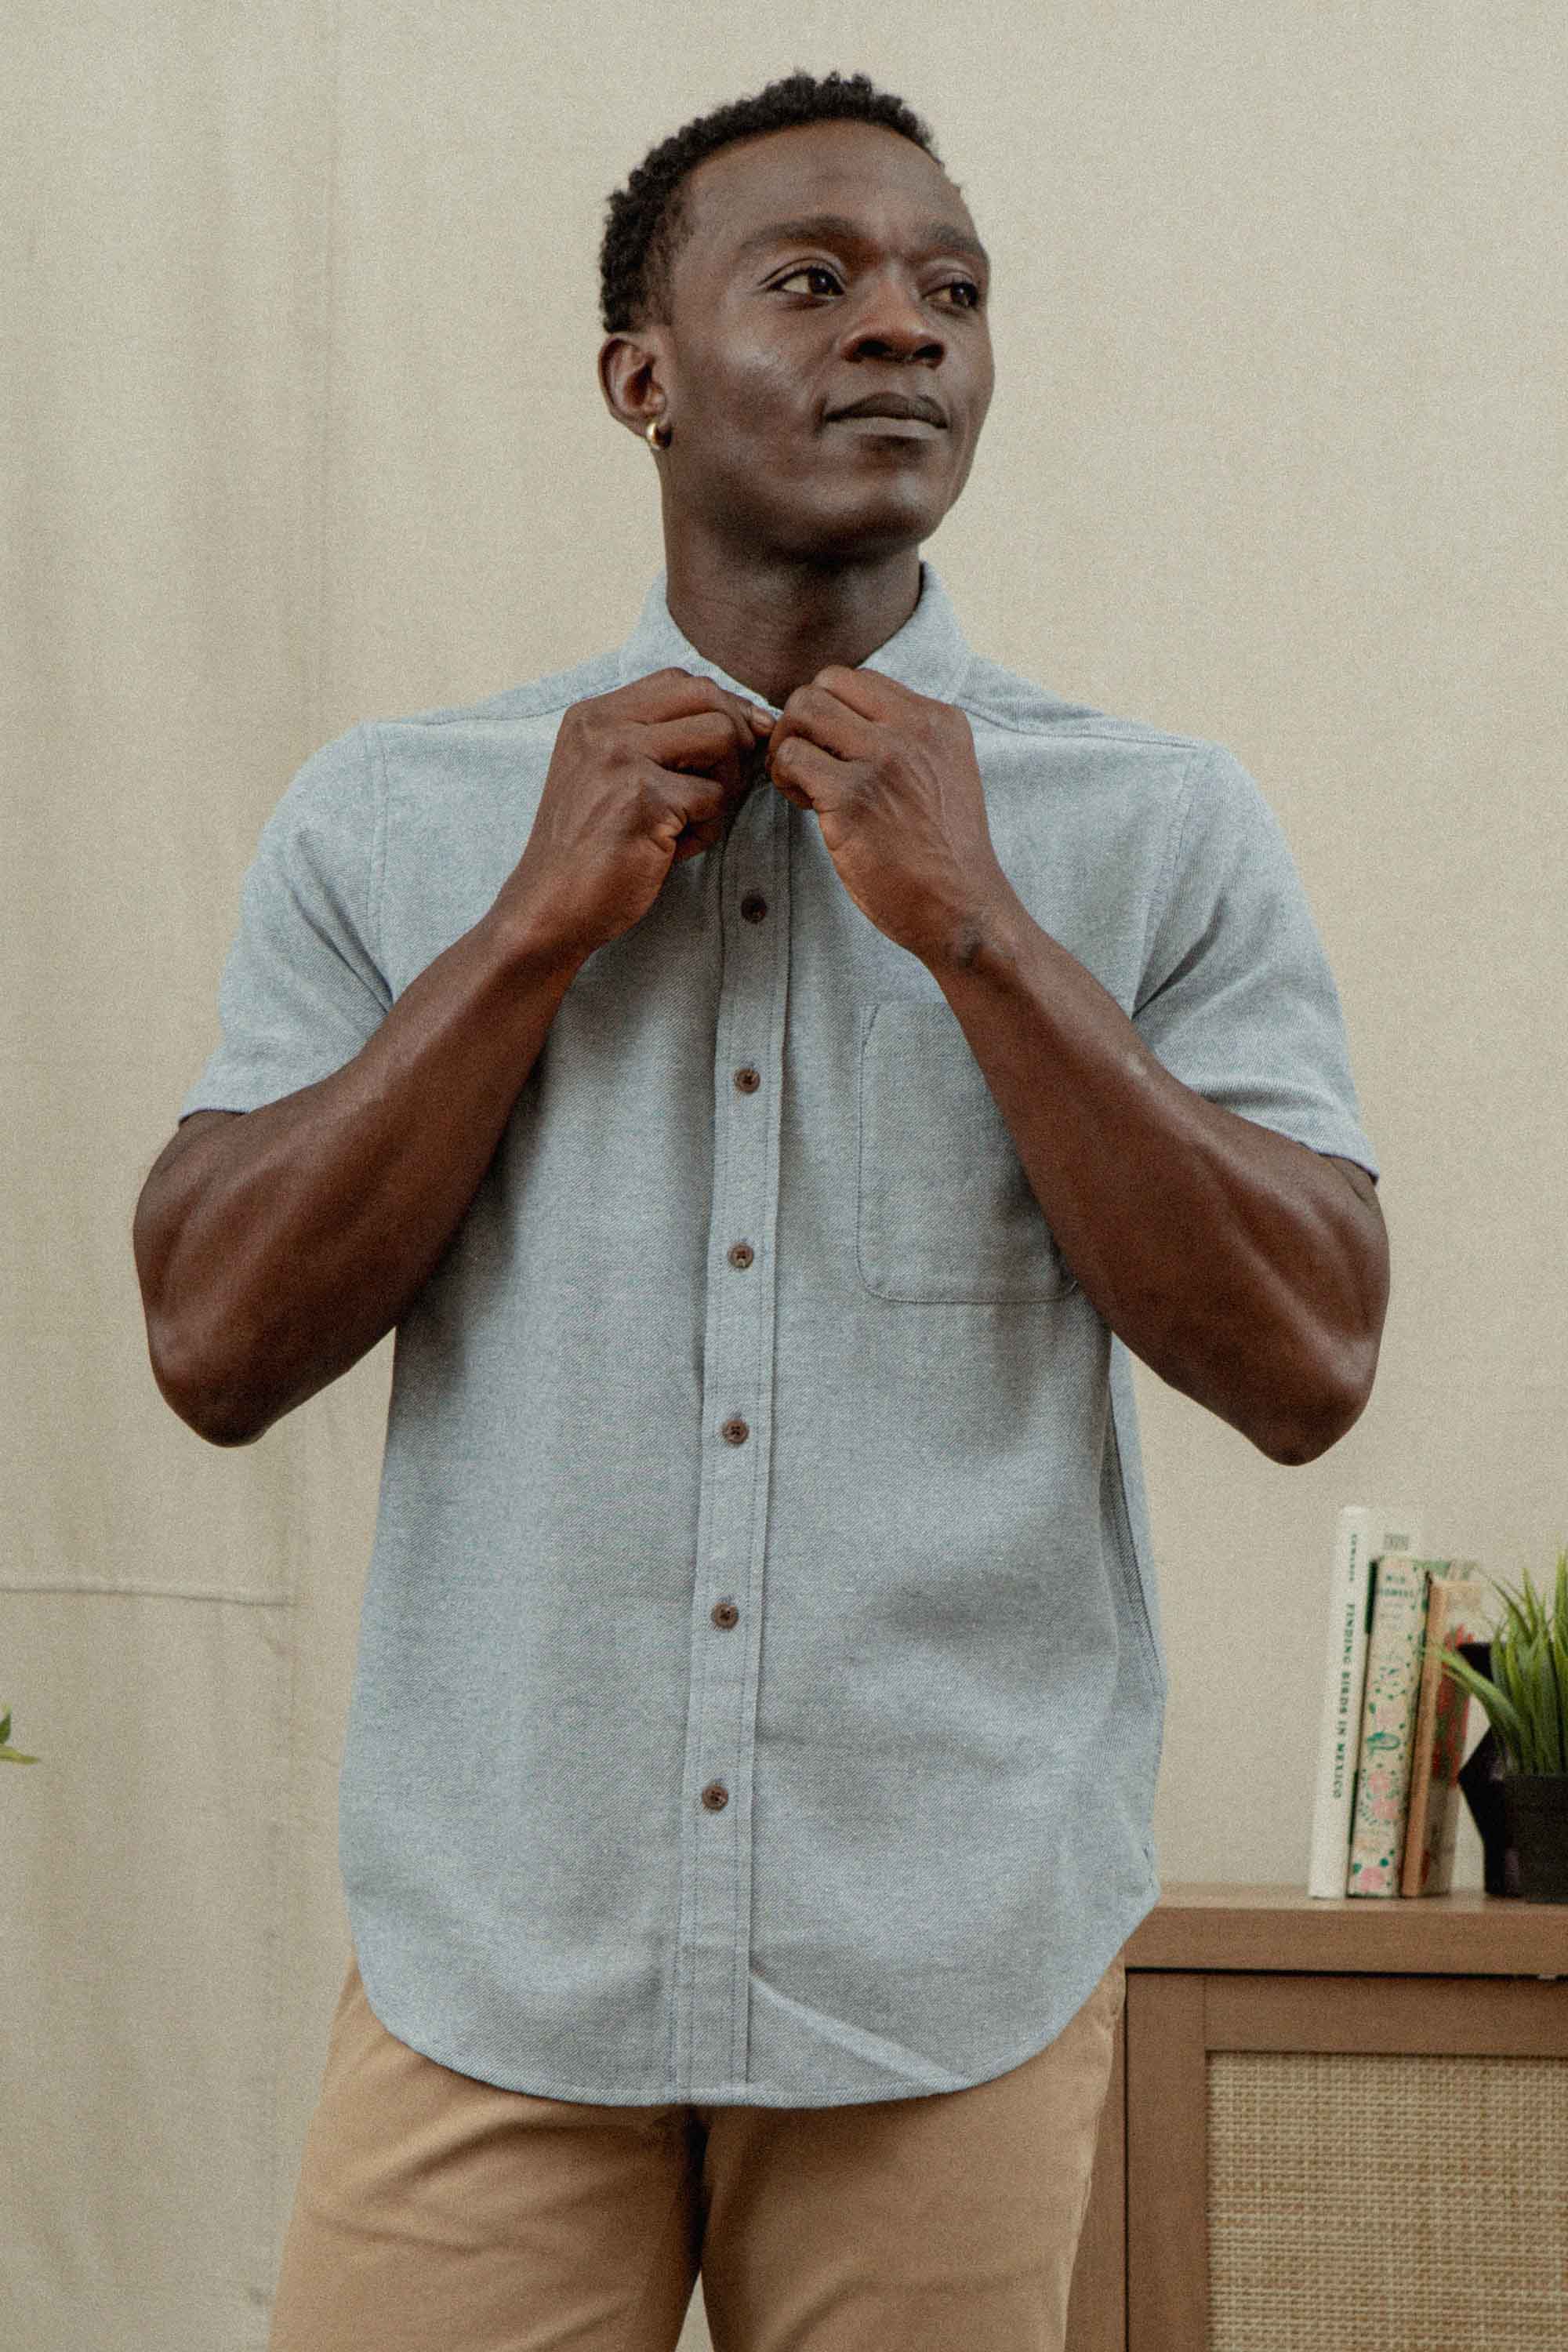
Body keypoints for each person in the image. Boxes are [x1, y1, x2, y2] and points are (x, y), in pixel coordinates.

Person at [132, 66, 1389, 2352]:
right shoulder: (393, 822)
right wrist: (525, 930)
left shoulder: (1161, 830)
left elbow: (1312, 1363)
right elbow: (211, 1342)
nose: (901, 331)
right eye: (813, 282)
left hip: (947, 1971)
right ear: (641, 375)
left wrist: (986, 931)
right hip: (499, 1951)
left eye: (952, 294)